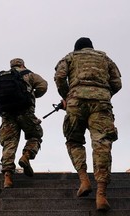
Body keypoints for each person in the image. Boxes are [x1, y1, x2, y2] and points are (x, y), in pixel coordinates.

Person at [54, 37, 122, 211]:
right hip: (101, 103)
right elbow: (117, 83)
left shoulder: (70, 57)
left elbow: (60, 77)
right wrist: (103, 93)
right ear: (91, 47)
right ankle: (101, 195)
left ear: (77, 48)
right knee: (102, 145)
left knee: (74, 141)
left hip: (75, 103)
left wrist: (67, 96)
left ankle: (84, 179)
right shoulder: (105, 58)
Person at [0, 58, 47, 188]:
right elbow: (43, 85)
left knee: (9, 144)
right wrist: (32, 95)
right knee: (36, 135)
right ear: (22, 64)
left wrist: (0, 109)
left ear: (11, 66)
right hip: (25, 112)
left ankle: (8, 178)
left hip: (8, 115)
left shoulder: (1, 78)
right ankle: (26, 156)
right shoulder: (29, 74)